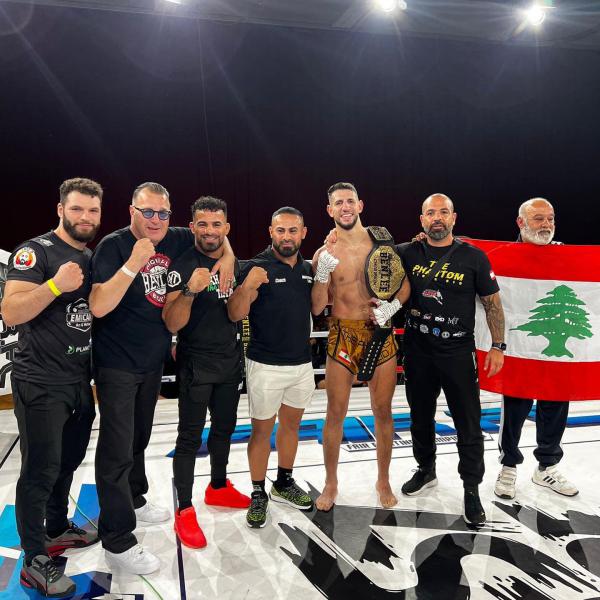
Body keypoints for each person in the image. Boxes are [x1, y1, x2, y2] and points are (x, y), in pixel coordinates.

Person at [89, 182, 234, 574]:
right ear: (132, 211)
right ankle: (117, 540)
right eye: (148, 212)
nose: (156, 220)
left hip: (152, 361)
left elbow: (215, 235)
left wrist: (229, 258)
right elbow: (98, 305)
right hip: (116, 363)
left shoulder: (175, 236)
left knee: (139, 437)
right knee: (116, 450)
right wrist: (133, 263)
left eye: (163, 213)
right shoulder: (113, 246)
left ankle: (135, 497)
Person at [1, 178, 102, 597]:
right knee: (39, 470)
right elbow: (11, 310)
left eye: (93, 210)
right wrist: (56, 284)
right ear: (60, 210)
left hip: (79, 380)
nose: (85, 217)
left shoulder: (90, 256)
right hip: (40, 381)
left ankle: (57, 527)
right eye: (77, 209)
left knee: (68, 461)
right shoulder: (35, 251)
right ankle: (33, 559)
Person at [398, 193, 505, 526]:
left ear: (454, 218)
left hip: (458, 352)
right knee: (420, 416)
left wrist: (498, 345)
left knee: (468, 423)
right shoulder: (407, 252)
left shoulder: (474, 257)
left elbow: (492, 303)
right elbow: (372, 253)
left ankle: (471, 488)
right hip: (418, 350)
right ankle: (425, 469)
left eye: (443, 212)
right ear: (422, 220)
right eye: (431, 212)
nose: (437, 218)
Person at [311, 182, 411, 511]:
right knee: (335, 412)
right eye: (338, 202)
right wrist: (322, 273)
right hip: (342, 333)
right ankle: (331, 483)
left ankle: (383, 480)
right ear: (330, 210)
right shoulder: (324, 253)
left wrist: (390, 308)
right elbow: (317, 306)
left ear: (360, 205)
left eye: (350, 201)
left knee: (383, 411)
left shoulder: (382, 242)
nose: (345, 207)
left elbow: (404, 288)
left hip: (379, 331)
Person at [163, 196, 250, 549]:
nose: (210, 231)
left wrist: (244, 284)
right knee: (189, 437)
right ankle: (184, 509)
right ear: (192, 226)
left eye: (217, 224)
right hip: (194, 363)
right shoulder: (182, 264)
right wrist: (189, 291)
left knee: (225, 429)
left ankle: (217, 486)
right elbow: (172, 322)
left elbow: (235, 314)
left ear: (226, 227)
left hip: (229, 360)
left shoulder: (233, 263)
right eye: (203, 224)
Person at [227, 207, 315, 529]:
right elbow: (235, 314)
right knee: (262, 431)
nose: (286, 237)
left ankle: (283, 482)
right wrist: (247, 286)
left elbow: (318, 306)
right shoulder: (255, 266)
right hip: (265, 365)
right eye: (281, 230)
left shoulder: (308, 269)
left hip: (302, 363)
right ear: (271, 232)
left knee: (291, 427)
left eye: (293, 230)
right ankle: (257, 491)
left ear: (303, 233)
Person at [494, 198, 578, 499]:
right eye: (538, 219)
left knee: (556, 402)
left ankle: (547, 466)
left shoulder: (566, 255)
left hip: (556, 343)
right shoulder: (504, 256)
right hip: (519, 346)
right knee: (515, 406)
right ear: (521, 222)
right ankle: (508, 465)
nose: (546, 225)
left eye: (550, 219)